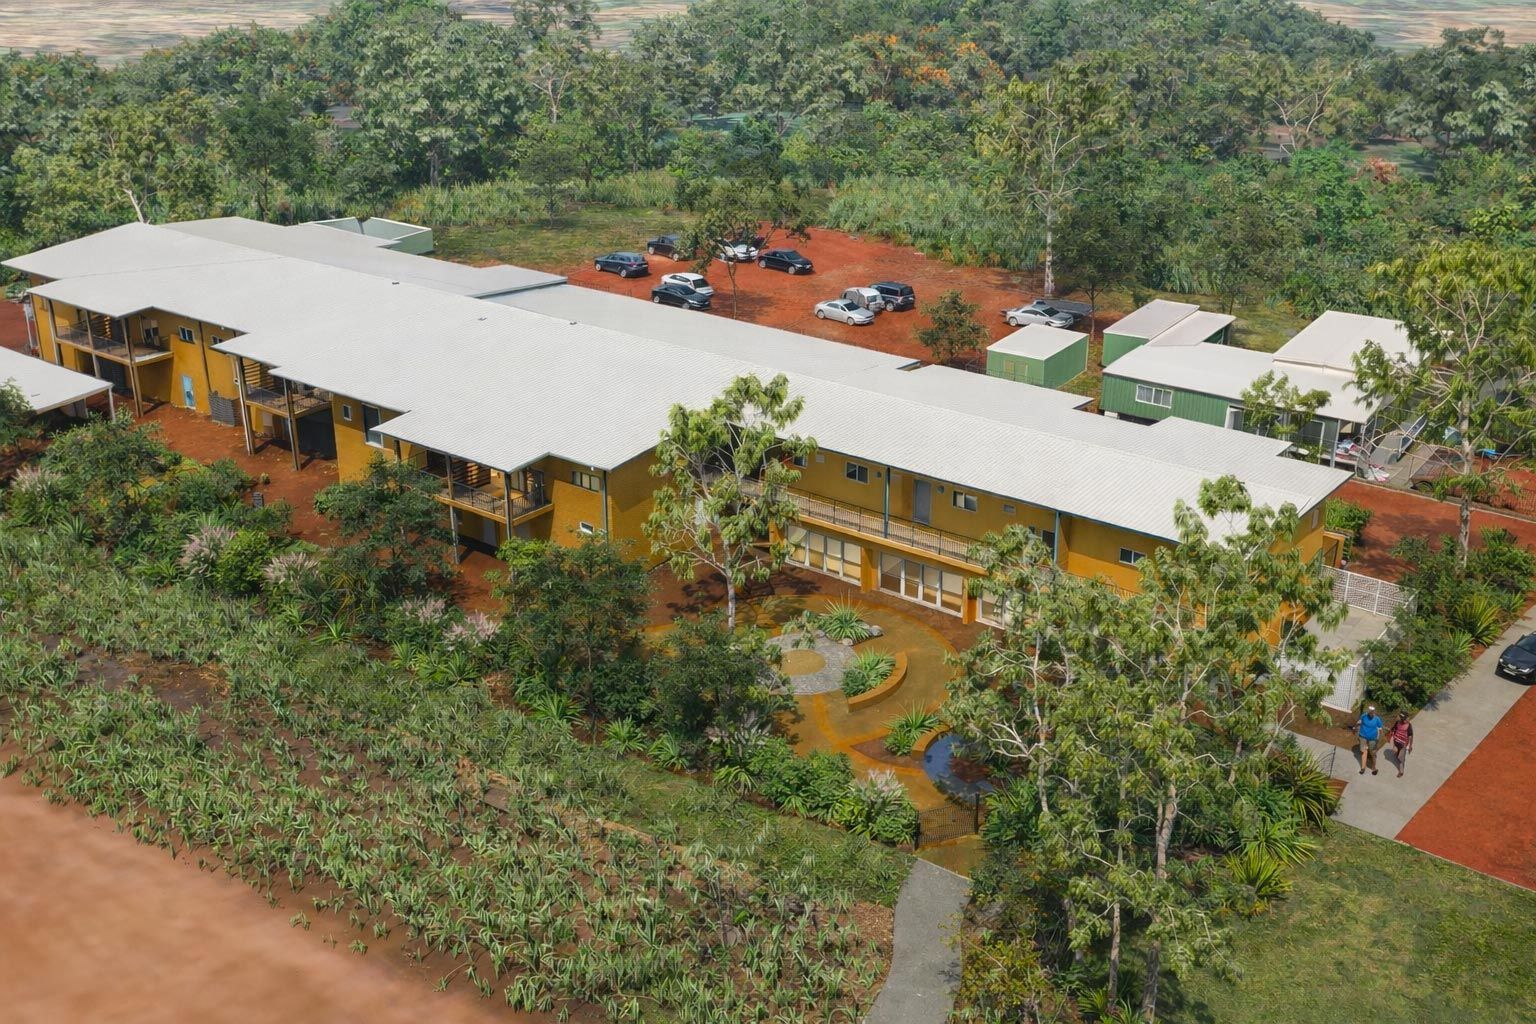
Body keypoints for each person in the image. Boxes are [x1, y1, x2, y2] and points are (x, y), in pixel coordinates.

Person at [1353, 704, 1384, 775]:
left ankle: (1373, 768)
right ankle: (1363, 768)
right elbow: (1359, 723)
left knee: (1372, 753)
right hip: (1362, 737)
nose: (1371, 713)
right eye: (1370, 712)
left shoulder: (1377, 719)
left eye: (1372, 712)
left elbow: (1380, 730)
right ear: (1368, 711)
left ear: (1374, 712)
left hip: (1373, 738)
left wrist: (1379, 739)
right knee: (1363, 751)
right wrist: (1354, 729)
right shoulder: (1363, 716)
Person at [1389, 711, 1414, 778]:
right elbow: (1393, 729)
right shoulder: (1397, 723)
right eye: (1406, 719)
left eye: (1407, 718)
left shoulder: (1409, 725)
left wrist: (1410, 746)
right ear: (1402, 719)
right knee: (1395, 752)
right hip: (1396, 742)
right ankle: (1398, 754)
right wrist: (1391, 733)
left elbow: (1410, 736)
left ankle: (1401, 771)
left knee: (1401, 758)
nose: (1408, 720)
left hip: (1403, 744)